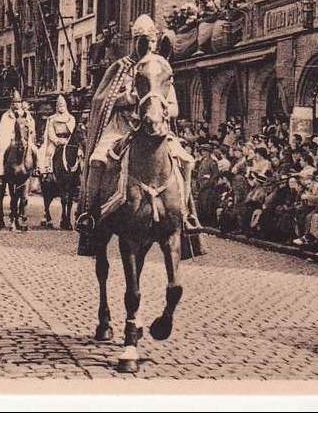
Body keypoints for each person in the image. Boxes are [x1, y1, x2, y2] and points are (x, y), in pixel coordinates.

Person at [77, 15, 198, 255]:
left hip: (154, 129)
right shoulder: (121, 67)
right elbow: (101, 99)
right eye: (143, 40)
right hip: (120, 128)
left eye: (151, 40)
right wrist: (127, 98)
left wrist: (162, 107)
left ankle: (185, 215)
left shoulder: (160, 68)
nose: (148, 45)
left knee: (186, 161)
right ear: (135, 41)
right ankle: (89, 215)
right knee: (97, 160)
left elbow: (174, 106)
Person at [0, 89, 37, 185]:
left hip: (24, 139)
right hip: (10, 139)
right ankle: (1, 173)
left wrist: (29, 131)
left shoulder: (26, 114)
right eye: (15, 102)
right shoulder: (6, 115)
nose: (17, 104)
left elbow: (31, 125)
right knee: (2, 152)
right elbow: (2, 131)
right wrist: (8, 138)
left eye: (19, 102)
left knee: (35, 151)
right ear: (11, 103)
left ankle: (36, 170)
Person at [38, 95, 76, 178]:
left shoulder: (71, 118)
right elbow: (50, 132)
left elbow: (73, 131)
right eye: (59, 106)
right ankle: (48, 172)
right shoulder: (52, 119)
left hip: (68, 140)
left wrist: (67, 140)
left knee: (79, 153)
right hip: (56, 141)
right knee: (49, 152)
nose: (61, 108)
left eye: (62, 106)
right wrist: (56, 140)